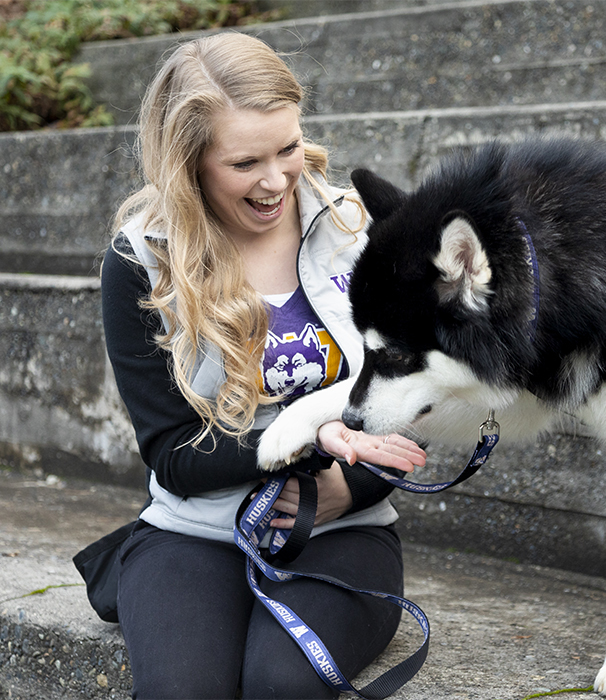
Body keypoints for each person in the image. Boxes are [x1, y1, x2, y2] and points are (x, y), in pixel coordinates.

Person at [101, 31, 426, 700]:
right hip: (193, 533)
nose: (277, 179)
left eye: (288, 148)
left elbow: (413, 402)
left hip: (347, 529)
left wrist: (351, 488)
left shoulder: (359, 231)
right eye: (246, 161)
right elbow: (173, 454)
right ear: (189, 163)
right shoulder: (141, 259)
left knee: (283, 684)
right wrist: (304, 441)